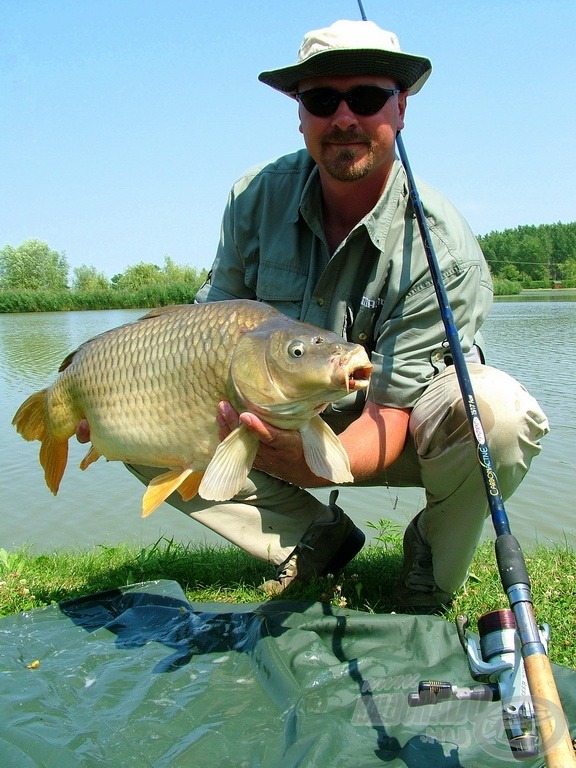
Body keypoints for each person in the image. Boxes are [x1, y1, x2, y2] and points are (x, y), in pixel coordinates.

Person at [79, 19, 549, 611]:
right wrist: (112, 398)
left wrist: (302, 463)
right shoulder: (256, 198)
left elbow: (391, 415)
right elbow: (200, 331)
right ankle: (311, 539)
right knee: (138, 424)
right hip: (278, 411)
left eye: (368, 97)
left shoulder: (441, 246)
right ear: (300, 114)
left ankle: (430, 561)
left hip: (403, 427)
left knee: (499, 417)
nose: (344, 118)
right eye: (323, 99)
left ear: (400, 109)